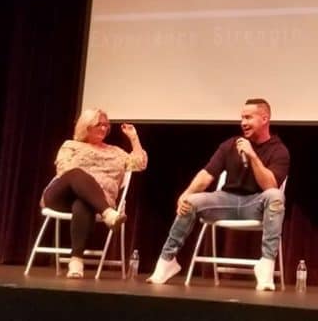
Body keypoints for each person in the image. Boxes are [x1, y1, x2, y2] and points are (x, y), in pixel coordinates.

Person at [147, 98, 289, 291]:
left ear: (265, 119)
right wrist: (185, 194)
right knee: (190, 202)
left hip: (255, 204)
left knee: (276, 197)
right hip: (226, 201)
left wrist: (252, 156)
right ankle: (167, 260)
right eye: (242, 118)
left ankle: (266, 265)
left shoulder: (279, 150)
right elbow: (207, 174)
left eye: (248, 117)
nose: (243, 123)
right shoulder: (230, 145)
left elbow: (270, 186)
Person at [41, 108, 148, 278]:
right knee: (77, 173)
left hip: (95, 201)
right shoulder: (71, 146)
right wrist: (90, 183)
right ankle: (108, 214)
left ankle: (76, 261)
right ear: (87, 126)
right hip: (62, 195)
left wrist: (133, 138)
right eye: (99, 124)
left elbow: (139, 164)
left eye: (106, 125)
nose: (104, 128)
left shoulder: (116, 152)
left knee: (83, 204)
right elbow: (63, 170)